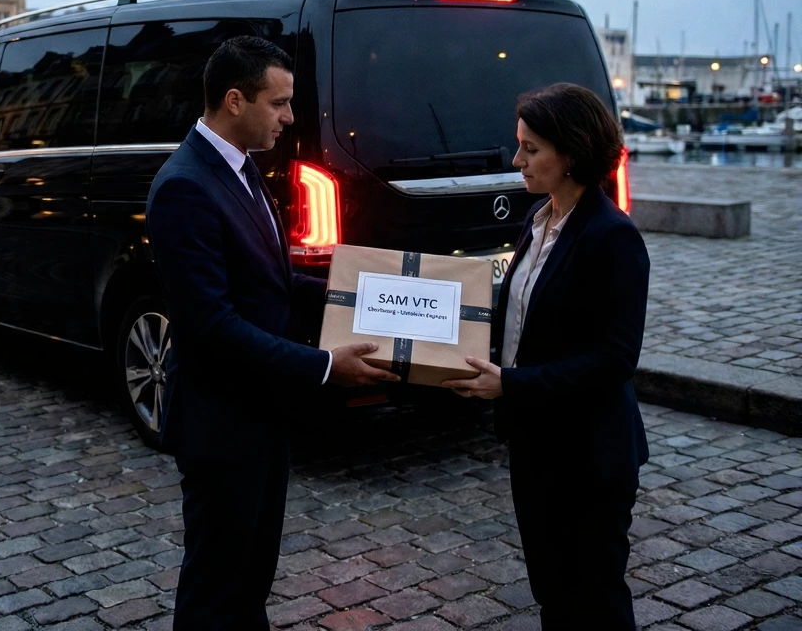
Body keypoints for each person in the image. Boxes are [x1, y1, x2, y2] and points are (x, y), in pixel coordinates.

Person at [146, 36, 398, 631]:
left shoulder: (240, 166)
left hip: (261, 413)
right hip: (221, 424)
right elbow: (211, 325)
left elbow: (273, 282)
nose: (289, 117)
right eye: (279, 103)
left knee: (250, 578)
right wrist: (327, 366)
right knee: (217, 590)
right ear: (235, 100)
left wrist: (363, 297)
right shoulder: (185, 186)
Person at [443, 83, 650, 631]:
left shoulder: (613, 237)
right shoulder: (537, 219)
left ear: (572, 153)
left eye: (530, 149)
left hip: (589, 453)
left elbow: (615, 359)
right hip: (535, 442)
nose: (517, 160)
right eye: (520, 145)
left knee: (595, 598)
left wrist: (510, 384)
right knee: (553, 592)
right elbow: (520, 323)